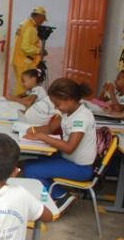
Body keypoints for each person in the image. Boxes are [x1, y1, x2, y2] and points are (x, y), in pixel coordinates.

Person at [23, 78, 96, 214]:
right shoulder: (68, 111)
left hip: (80, 168)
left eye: (58, 104)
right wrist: (34, 130)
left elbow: (69, 147)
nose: (56, 108)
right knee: (32, 161)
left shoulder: (81, 117)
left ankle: (61, 196)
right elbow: (51, 128)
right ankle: (46, 195)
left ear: (69, 99)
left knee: (31, 169)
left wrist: (43, 137)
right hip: (68, 159)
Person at [11, 7, 47, 95]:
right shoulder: (30, 28)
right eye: (42, 19)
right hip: (24, 61)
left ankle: (18, 104)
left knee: (21, 84)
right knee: (24, 86)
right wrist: (40, 51)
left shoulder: (24, 24)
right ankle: (18, 105)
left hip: (18, 59)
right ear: (39, 17)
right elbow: (26, 47)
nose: (42, 22)